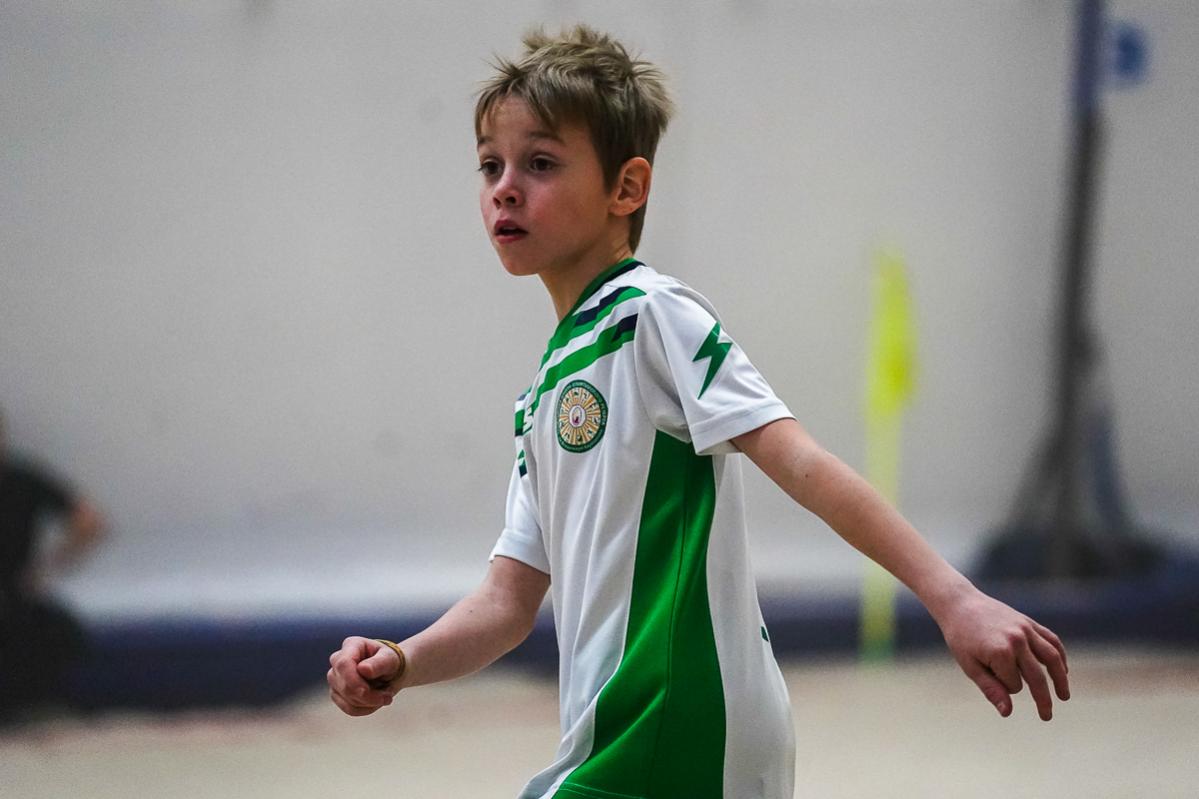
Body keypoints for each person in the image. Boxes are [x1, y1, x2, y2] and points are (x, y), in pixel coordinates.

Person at [327, 25, 1070, 798]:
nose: (504, 188)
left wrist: (954, 597)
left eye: (539, 163)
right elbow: (506, 601)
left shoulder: (651, 315)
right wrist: (403, 662)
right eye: (490, 165)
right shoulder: (543, 392)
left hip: (677, 721)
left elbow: (799, 460)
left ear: (626, 188)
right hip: (623, 730)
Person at [0, 407, 104, 719]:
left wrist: (50, 565)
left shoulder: (23, 480)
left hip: (13, 595)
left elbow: (89, 522)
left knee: (62, 632)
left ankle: (24, 705)